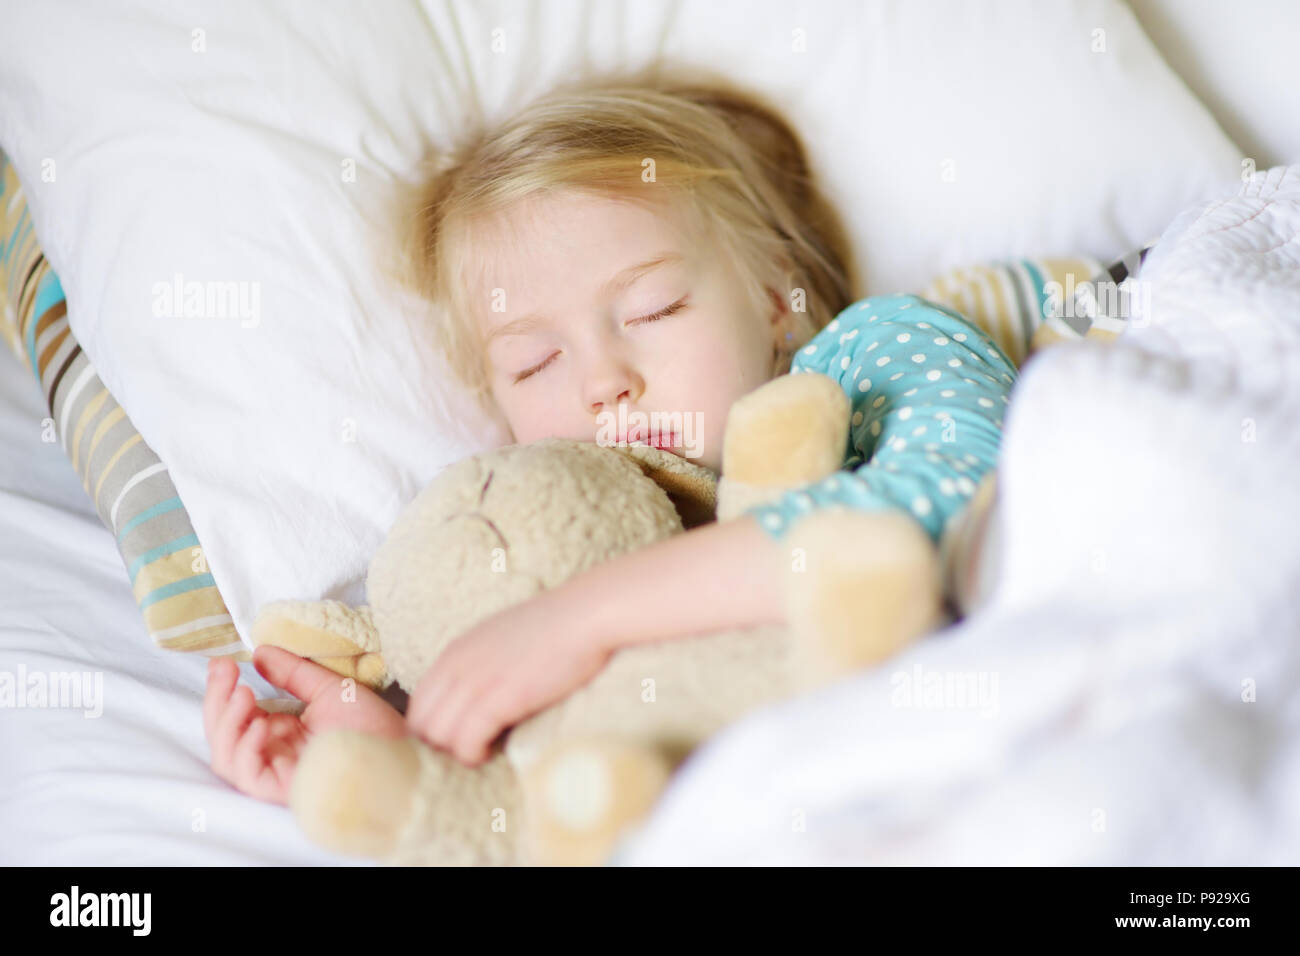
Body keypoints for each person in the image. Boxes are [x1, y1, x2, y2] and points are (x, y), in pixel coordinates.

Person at [205, 71, 1014, 804]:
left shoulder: (873, 355)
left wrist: (577, 622)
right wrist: (399, 758)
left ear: (774, 295)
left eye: (653, 308)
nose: (604, 383)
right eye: (536, 361)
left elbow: (927, 512)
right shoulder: (554, 536)